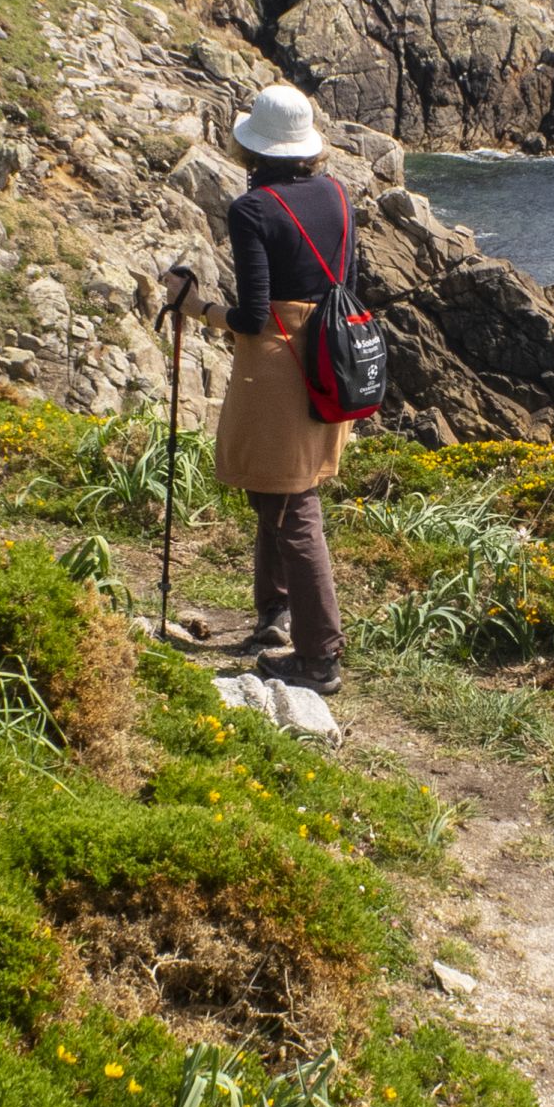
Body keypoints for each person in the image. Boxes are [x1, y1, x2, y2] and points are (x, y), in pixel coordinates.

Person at [206, 82, 359, 693]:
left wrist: (197, 308)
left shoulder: (252, 209)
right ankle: (275, 613)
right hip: (331, 357)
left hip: (279, 361)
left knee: (294, 507)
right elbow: (345, 282)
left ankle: (319, 658)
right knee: (278, 493)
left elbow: (252, 314)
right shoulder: (339, 195)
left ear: (255, 150)